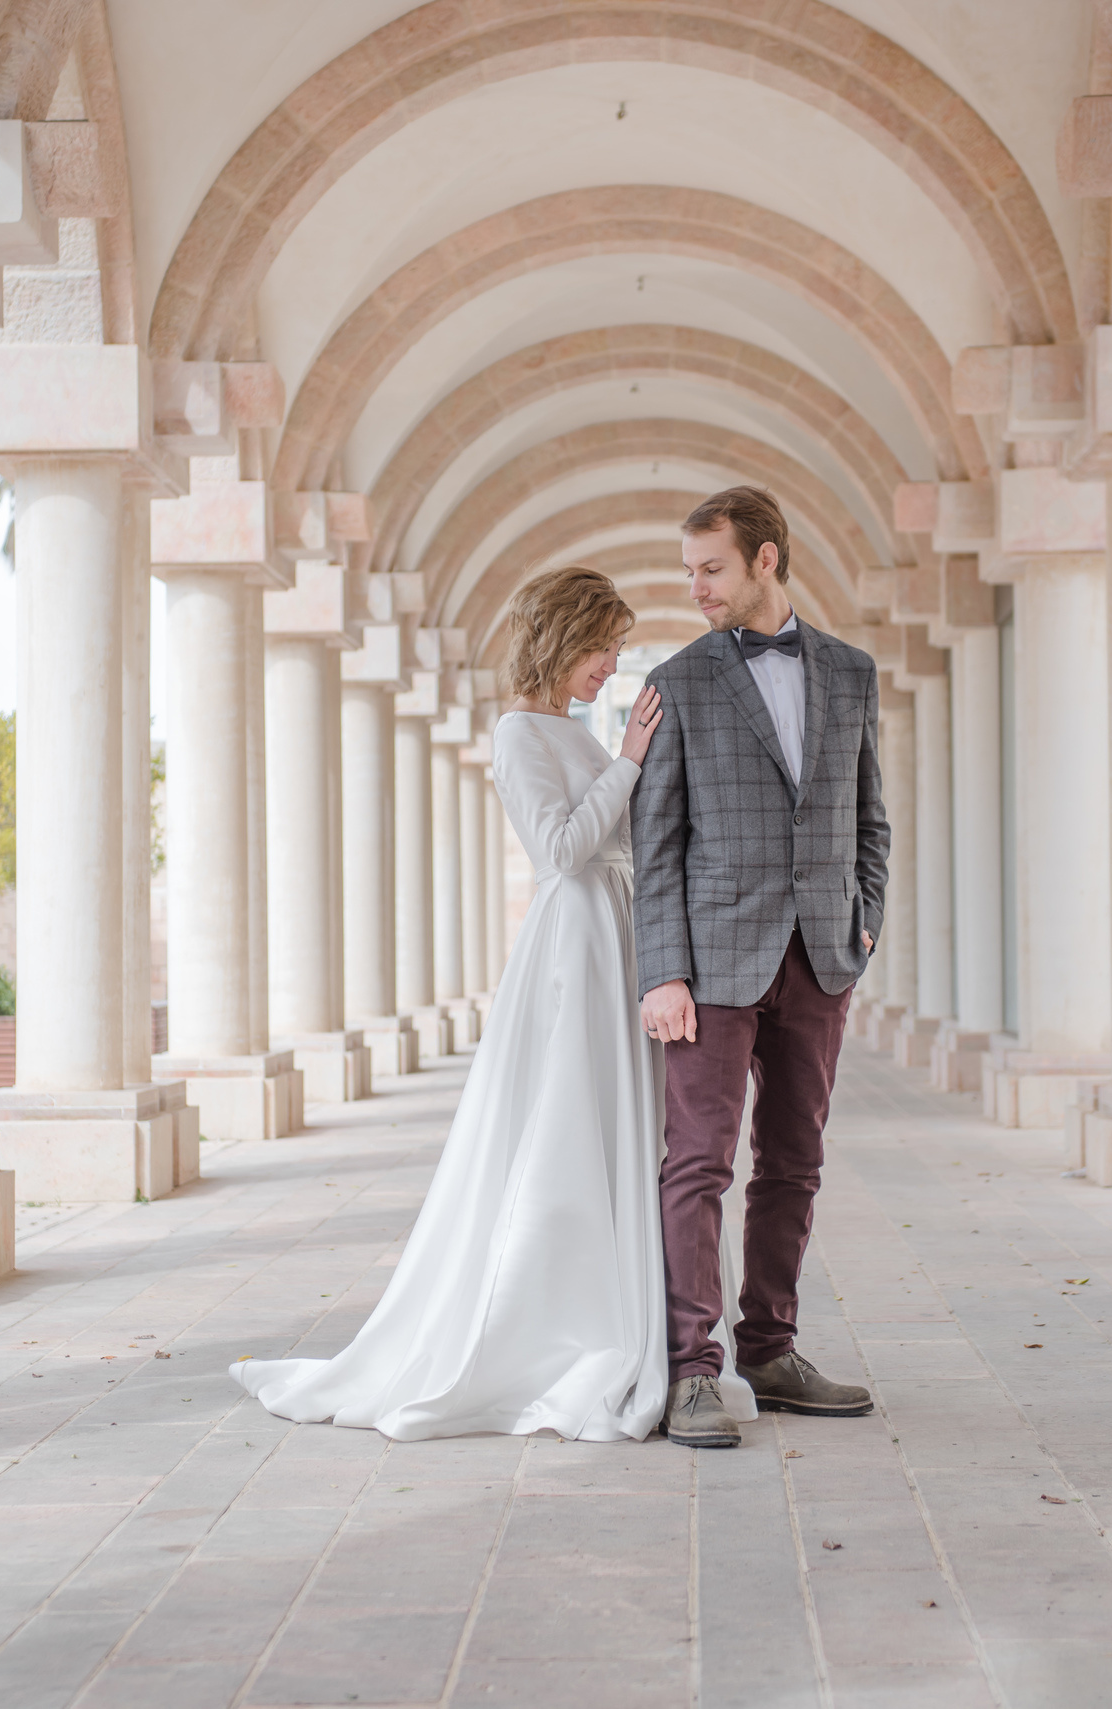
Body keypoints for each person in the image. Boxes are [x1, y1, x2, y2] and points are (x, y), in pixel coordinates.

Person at [231, 567, 753, 1440]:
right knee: (566, 1125)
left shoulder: (570, 728)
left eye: (619, 646)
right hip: (575, 943)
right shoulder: (519, 730)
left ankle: (638, 1329)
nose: (611, 662)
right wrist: (628, 761)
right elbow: (558, 852)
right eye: (602, 644)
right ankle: (556, 1330)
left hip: (615, 933)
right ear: (561, 637)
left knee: (630, 1127)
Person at [634, 485, 890, 1449]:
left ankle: (770, 1350)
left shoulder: (852, 673)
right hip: (709, 966)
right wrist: (664, 969)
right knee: (698, 1163)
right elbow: (655, 844)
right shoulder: (677, 681)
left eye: (713, 567)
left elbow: (872, 819)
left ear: (767, 559)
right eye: (691, 569)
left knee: (795, 1162)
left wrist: (863, 926)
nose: (697, 586)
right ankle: (690, 1369)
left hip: (820, 957)